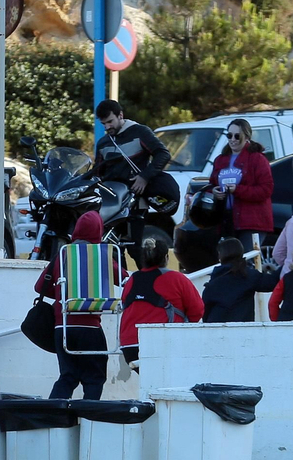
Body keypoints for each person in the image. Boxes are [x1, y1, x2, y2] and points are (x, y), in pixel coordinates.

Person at [35, 210, 109, 400]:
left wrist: (62, 295)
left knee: (68, 376)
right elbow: (124, 277)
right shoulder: (100, 255)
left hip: (62, 327)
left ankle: (53, 415)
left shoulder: (63, 254)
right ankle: (88, 416)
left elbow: (39, 287)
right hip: (90, 327)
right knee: (94, 378)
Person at [91, 99, 180, 243]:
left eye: (110, 121)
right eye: (103, 124)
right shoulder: (103, 143)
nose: (107, 127)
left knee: (134, 244)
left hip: (135, 200)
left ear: (120, 115)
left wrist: (144, 177)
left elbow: (163, 154)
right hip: (111, 203)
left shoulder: (140, 132)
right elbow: (98, 172)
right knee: (110, 243)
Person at [118, 235, 203, 365]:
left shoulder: (132, 280)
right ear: (166, 257)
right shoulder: (176, 279)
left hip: (129, 347)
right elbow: (197, 311)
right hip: (162, 344)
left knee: (149, 376)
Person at [209, 118, 274, 250]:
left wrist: (238, 190)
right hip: (226, 221)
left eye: (237, 136)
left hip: (252, 222)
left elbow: (266, 189)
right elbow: (212, 184)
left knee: (247, 258)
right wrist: (214, 192)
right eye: (229, 135)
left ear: (247, 137)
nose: (233, 139)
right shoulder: (220, 160)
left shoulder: (258, 159)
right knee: (229, 259)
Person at [202, 236, 279, 323]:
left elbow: (205, 312)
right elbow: (272, 282)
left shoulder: (213, 282)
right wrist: (287, 264)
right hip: (242, 328)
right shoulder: (248, 276)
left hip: (216, 328)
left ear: (221, 256)